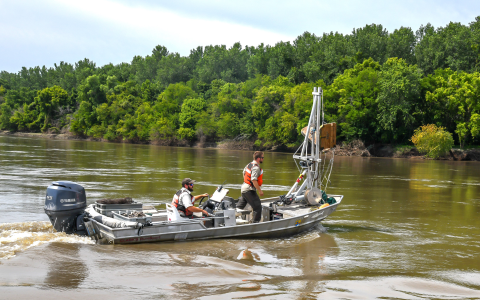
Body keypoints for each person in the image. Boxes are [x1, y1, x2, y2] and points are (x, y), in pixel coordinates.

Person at [237, 151, 264, 223]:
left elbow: (244, 173)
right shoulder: (256, 168)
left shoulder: (249, 164)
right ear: (258, 158)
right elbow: (254, 179)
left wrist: (246, 183)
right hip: (249, 190)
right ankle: (255, 224)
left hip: (244, 188)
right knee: (257, 207)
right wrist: (259, 190)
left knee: (239, 207)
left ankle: (232, 218)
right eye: (262, 158)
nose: (263, 159)